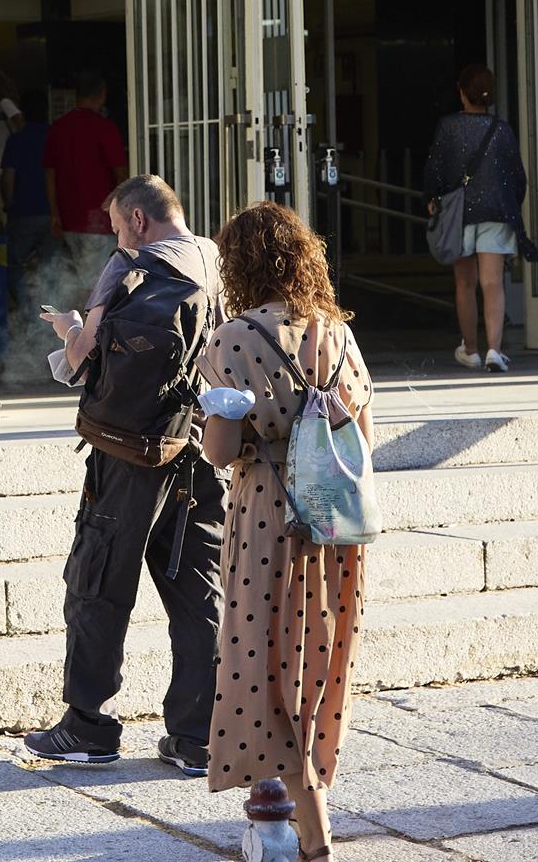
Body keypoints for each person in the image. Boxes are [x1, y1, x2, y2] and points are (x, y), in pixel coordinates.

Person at [28, 174, 227, 776]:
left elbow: (84, 354)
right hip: (196, 445)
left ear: (138, 220)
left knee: (98, 583)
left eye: (116, 224)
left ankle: (87, 727)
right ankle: (198, 736)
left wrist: (66, 332)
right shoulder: (214, 259)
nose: (115, 236)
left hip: (126, 454)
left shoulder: (130, 264)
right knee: (198, 589)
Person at [201, 201, 374, 861]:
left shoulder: (234, 340)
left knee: (263, 669)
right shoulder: (337, 334)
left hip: (268, 522)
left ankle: (304, 837)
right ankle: (299, 824)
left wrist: (230, 414)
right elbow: (362, 439)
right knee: (314, 670)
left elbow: (220, 451)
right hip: (334, 523)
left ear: (238, 267)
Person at [422, 62, 528, 373]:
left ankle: (471, 349)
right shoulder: (502, 130)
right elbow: (517, 177)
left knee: (465, 283)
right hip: (496, 213)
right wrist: (510, 204)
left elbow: (435, 169)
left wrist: (431, 199)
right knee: (493, 283)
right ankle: (495, 350)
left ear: (462, 93)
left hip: (459, 215)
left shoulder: (449, 127)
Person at [44, 71, 129, 296]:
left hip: (69, 220)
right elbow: (121, 174)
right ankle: (90, 329)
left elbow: (50, 175)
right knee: (99, 285)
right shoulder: (105, 128)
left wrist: (55, 215)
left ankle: (78, 326)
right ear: (102, 95)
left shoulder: (58, 128)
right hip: (100, 221)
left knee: (77, 280)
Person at [1, 91, 53, 316]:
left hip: (23, 212)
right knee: (50, 265)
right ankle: (50, 310)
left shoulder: (17, 139)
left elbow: (8, 177)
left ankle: (26, 309)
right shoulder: (54, 137)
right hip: (53, 213)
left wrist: (8, 204)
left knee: (15, 264)